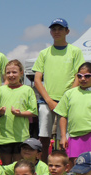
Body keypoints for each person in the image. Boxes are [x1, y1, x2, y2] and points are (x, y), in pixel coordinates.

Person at [33, 18, 85, 160]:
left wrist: (66, 99)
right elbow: (37, 80)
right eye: (54, 29)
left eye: (60, 29)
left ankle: (66, 167)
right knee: (44, 137)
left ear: (67, 31)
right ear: (50, 32)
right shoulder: (44, 53)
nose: (56, 32)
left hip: (67, 101)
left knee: (66, 137)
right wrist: (49, 100)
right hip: (46, 101)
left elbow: (78, 76)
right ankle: (43, 166)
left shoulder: (75, 51)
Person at [0, 60, 38, 165]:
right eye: (8, 73)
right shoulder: (0, 90)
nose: (11, 75)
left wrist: (20, 114)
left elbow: (34, 111)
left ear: (21, 73)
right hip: (3, 137)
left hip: (20, 136)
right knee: (6, 167)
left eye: (14, 72)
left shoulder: (27, 90)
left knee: (20, 167)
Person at [54, 62, 91, 165]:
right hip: (74, 136)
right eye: (79, 76)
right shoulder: (69, 93)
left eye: (87, 76)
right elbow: (62, 115)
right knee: (77, 167)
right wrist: (63, 136)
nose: (83, 79)